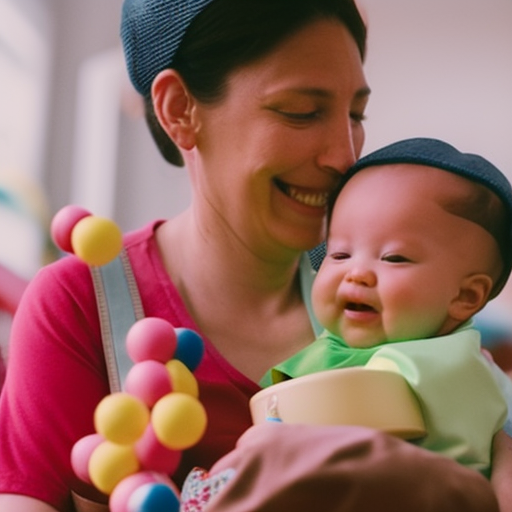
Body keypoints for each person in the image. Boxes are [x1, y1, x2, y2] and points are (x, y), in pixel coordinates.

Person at [0, 1, 510, 511]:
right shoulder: (80, 306)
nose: (344, 156)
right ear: (180, 109)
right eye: (301, 112)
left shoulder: (388, 304)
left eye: (355, 114)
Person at [263, 137, 512, 476]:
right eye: (339, 254)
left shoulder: (433, 366)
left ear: (465, 297)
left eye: (394, 258)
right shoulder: (340, 349)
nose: (357, 274)